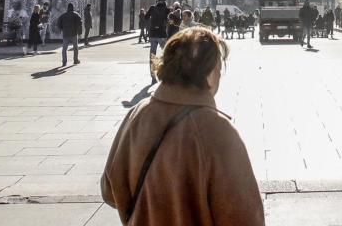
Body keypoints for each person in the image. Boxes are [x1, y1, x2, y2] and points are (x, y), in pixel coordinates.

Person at [101, 27, 264, 226]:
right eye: (219, 70)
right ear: (209, 73)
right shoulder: (218, 132)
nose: (220, 77)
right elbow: (244, 217)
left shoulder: (138, 114)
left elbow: (109, 191)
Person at [147, 0, 170, 84]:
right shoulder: (167, 10)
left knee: (153, 55)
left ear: (158, 0)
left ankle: (153, 76)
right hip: (162, 34)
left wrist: (151, 25)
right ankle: (164, 74)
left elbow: (146, 17)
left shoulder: (152, 8)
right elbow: (170, 21)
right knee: (166, 54)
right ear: (165, 0)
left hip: (153, 34)